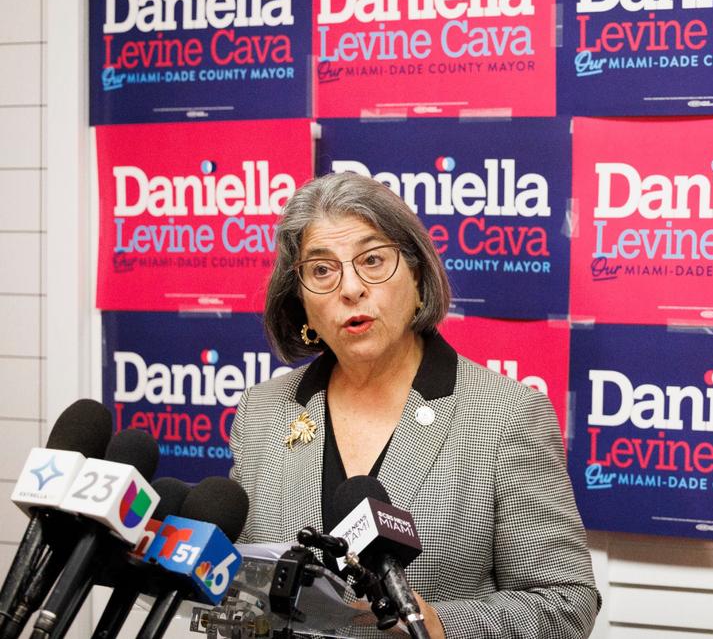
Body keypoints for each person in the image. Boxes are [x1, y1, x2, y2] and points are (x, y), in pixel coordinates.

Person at [229, 172, 599, 638]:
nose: (350, 288)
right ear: (300, 300)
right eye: (322, 270)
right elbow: (243, 586)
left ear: (417, 275)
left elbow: (566, 602)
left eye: (373, 260)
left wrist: (441, 626)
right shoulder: (263, 412)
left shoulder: (505, 415)